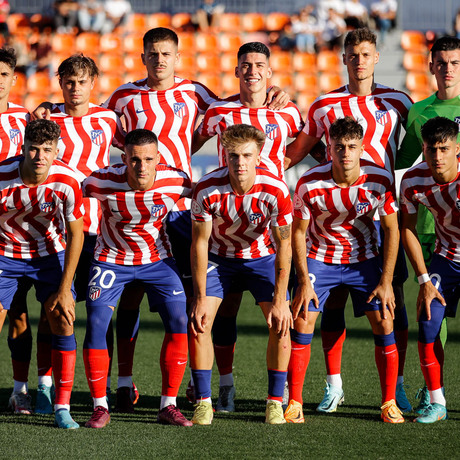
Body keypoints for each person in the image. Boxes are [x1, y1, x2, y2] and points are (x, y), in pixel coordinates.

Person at [101, 27, 288, 413]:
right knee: (131, 294)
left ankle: (193, 384)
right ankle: (124, 381)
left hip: (183, 207)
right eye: (152, 54)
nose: (160, 60)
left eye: (166, 54)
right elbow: (102, 127)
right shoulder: (123, 96)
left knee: (190, 299)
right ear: (142, 57)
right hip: (139, 206)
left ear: (178, 57)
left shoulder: (197, 93)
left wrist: (277, 95)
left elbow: (227, 126)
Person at [285, 27, 413, 414]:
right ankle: (333, 386)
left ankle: (398, 388)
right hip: (329, 220)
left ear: (376, 58)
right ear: (344, 59)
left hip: (378, 210)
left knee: (393, 303)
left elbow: (421, 144)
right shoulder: (325, 105)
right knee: (331, 305)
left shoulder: (399, 101)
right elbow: (298, 151)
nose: (360, 61)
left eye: (366, 54)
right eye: (352, 55)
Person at [191, 41, 303, 412]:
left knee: (279, 315)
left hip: (265, 223)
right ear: (237, 71)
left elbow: (311, 144)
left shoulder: (286, 110)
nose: (252, 70)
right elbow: (187, 143)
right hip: (224, 225)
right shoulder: (219, 110)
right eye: (245, 64)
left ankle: (279, 392)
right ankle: (223, 387)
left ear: (269, 72)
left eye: (259, 64)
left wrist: (279, 168)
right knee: (223, 311)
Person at [9, 54, 122, 416]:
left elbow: (143, 145)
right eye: (69, 81)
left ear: (94, 83)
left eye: (82, 81)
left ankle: (107, 388)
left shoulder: (108, 118)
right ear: (60, 83)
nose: (75, 88)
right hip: (53, 232)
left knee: (106, 310)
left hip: (99, 228)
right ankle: (45, 385)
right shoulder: (44, 118)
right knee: (50, 308)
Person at [290, 116, 402, 424]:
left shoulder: (378, 180)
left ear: (362, 147)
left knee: (384, 320)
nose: (346, 153)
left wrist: (387, 280)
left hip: (364, 259)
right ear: (329, 148)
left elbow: (392, 229)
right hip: (320, 258)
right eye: (339, 147)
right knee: (302, 319)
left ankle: (389, 402)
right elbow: (297, 232)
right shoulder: (309, 182)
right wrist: (303, 281)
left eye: (352, 146)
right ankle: (295, 402)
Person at [82, 129, 192, 428]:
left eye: (148, 159)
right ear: (124, 159)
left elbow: (209, 196)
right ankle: (99, 406)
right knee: (95, 323)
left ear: (159, 159)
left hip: (157, 260)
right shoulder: (100, 181)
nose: (142, 167)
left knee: (180, 321)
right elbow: (70, 196)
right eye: (134, 160)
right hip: (110, 261)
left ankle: (168, 405)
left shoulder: (176, 180)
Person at [189, 123, 293, 425]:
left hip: (262, 259)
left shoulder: (274, 189)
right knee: (200, 322)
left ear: (258, 156)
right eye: (234, 155)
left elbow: (283, 246)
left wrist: (280, 299)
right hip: (220, 260)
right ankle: (207, 400)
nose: (240, 162)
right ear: (224, 155)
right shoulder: (207, 188)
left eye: (247, 155)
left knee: (280, 322)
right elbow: (200, 243)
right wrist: (198, 297)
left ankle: (275, 401)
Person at [0, 119, 84, 428]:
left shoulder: (67, 181)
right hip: (4, 255)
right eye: (34, 150)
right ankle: (20, 390)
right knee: (12, 319)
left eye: (47, 150)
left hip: (49, 256)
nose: (40, 157)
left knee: (62, 317)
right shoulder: (2, 176)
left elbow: (76, 235)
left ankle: (60, 403)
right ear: (23, 148)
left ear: (57, 151)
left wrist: (65, 288)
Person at [396, 35, 460, 414]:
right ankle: (433, 389)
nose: (448, 68)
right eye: (442, 62)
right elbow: (403, 161)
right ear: (431, 66)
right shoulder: (418, 112)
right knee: (432, 314)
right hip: (429, 228)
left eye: (454, 62)